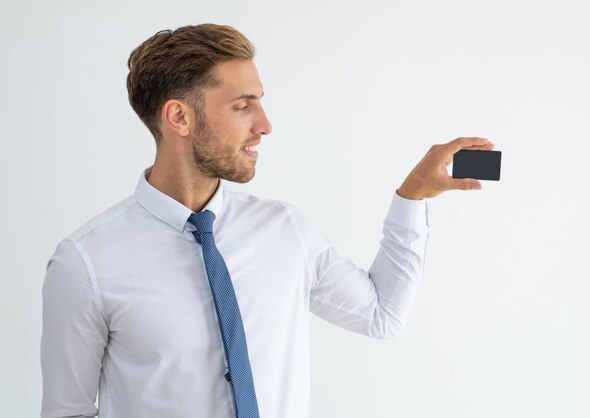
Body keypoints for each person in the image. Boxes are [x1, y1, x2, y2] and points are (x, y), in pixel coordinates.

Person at [40, 23, 494, 418]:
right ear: (178, 116)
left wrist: (411, 196)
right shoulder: (87, 263)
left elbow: (381, 314)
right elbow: (69, 411)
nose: (265, 124)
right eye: (243, 106)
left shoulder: (286, 232)